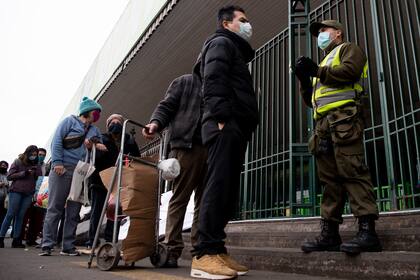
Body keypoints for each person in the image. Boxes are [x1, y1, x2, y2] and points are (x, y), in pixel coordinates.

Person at [295, 20, 381, 255]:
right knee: (330, 182)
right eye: (318, 33)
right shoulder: (323, 63)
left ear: (338, 33)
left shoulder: (348, 49)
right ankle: (329, 234)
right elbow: (310, 100)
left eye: (323, 30)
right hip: (323, 125)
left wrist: (316, 71)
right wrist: (304, 79)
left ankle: (367, 232)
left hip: (344, 119)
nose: (320, 35)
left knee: (353, 172)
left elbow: (350, 72)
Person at [191, 5, 258, 279]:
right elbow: (214, 78)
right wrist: (220, 116)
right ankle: (204, 255)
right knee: (217, 186)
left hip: (234, 124)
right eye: (242, 20)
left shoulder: (233, 48)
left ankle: (217, 249)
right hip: (224, 123)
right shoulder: (220, 42)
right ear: (226, 23)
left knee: (227, 190)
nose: (247, 24)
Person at [142, 63, 206, 268]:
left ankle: (200, 249)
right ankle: (171, 248)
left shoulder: (218, 86)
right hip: (186, 146)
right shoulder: (185, 82)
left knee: (204, 202)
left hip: (210, 147)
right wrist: (155, 123)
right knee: (180, 197)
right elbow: (166, 105)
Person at [40, 97, 106, 256]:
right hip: (63, 168)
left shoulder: (94, 130)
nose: (98, 115)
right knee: (55, 207)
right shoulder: (69, 122)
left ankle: (68, 245)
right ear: (88, 111)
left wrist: (95, 145)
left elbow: (101, 146)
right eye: (96, 111)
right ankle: (47, 244)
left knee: (74, 210)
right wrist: (57, 162)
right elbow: (56, 142)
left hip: (81, 171)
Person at [86, 113, 140, 250]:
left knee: (114, 212)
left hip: (118, 183)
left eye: (118, 121)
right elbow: (94, 158)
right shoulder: (101, 139)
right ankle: (92, 240)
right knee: (97, 212)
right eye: (112, 121)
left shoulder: (129, 140)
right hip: (100, 181)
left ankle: (111, 240)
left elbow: (136, 158)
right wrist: (97, 147)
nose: (115, 124)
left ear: (122, 125)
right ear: (108, 125)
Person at [0, 146, 42, 248]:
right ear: (27, 153)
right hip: (16, 191)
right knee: (10, 214)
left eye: (35, 155)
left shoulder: (37, 164)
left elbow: (39, 177)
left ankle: (16, 240)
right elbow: (10, 176)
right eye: (32, 154)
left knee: (20, 216)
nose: (34, 156)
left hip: (28, 193)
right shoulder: (18, 161)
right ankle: (0, 238)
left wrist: (36, 169)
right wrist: (25, 173)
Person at [21, 148, 49, 246]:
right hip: (29, 193)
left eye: (43, 155)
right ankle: (20, 238)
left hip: (41, 195)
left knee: (37, 218)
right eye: (40, 154)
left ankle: (31, 239)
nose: (41, 156)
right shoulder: (30, 164)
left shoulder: (46, 167)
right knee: (25, 216)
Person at [0, 161, 9, 228]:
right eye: (2, 165)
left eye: (5, 166)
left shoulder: (8, 174)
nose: (3, 167)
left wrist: (7, 184)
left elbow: (11, 183)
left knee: (3, 214)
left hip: (5, 198)